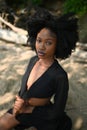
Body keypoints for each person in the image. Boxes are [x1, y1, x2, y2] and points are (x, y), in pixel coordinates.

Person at [0, 8, 78, 130]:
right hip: (22, 109)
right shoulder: (33, 60)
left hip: (43, 115)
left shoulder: (60, 75)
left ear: (58, 44)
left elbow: (57, 111)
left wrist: (29, 108)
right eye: (39, 40)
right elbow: (24, 88)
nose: (41, 47)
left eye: (48, 43)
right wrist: (19, 101)